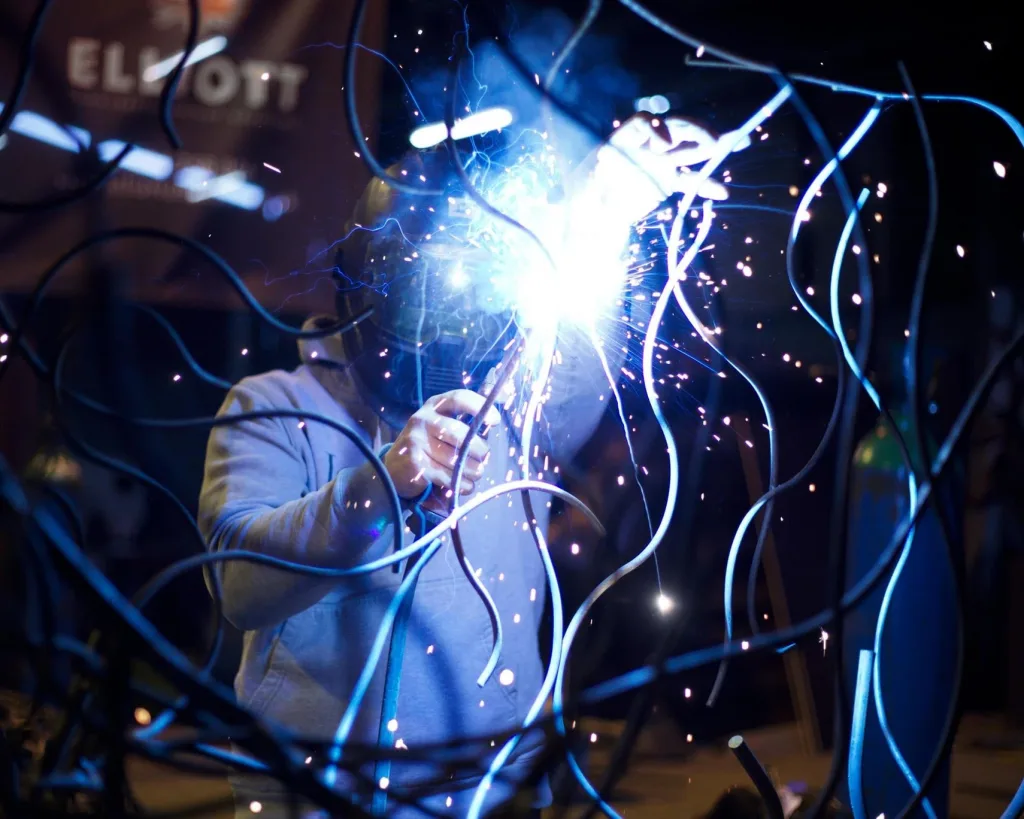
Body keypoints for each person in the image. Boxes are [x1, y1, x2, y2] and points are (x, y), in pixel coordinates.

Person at [198, 112, 735, 818]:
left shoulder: (520, 400)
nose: (444, 333)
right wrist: (381, 487)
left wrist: (606, 199)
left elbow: (571, 298)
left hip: (491, 791)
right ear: (367, 287)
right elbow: (238, 586)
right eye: (424, 304)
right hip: (314, 795)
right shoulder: (273, 404)